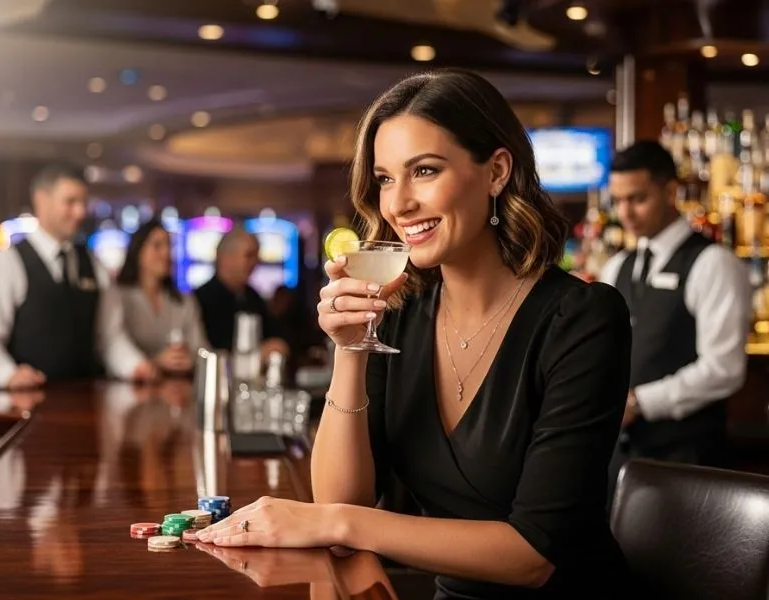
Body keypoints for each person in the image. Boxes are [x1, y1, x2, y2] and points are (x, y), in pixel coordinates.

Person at [195, 69, 634, 598]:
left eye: (423, 171)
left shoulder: (583, 318)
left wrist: (335, 524)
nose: (397, 203)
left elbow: (532, 556)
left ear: (496, 171)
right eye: (384, 178)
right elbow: (342, 496)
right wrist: (350, 350)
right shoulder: (400, 312)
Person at [600, 141, 751, 479]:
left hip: (686, 458)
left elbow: (724, 368)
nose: (625, 213)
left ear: (670, 191)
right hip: (616, 458)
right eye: (618, 201)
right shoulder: (616, 267)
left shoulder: (713, 263)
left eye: (638, 199)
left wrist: (639, 403)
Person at [0, 163, 157, 389]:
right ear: (41, 200)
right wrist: (8, 374)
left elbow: (109, 338)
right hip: (26, 406)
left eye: (83, 203)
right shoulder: (5, 263)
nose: (80, 212)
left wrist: (135, 365)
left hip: (87, 401)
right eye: (70, 202)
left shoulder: (95, 265)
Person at [117, 219, 209, 375]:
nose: (166, 253)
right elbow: (113, 350)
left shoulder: (184, 301)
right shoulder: (119, 298)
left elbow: (203, 350)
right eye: (157, 246)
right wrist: (156, 362)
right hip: (132, 388)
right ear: (138, 251)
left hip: (178, 388)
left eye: (169, 246)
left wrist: (190, 359)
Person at [194, 226, 289, 360]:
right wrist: (257, 354)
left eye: (256, 256)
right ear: (226, 257)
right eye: (249, 255)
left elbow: (275, 336)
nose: (255, 263)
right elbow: (208, 351)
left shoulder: (253, 297)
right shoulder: (200, 299)